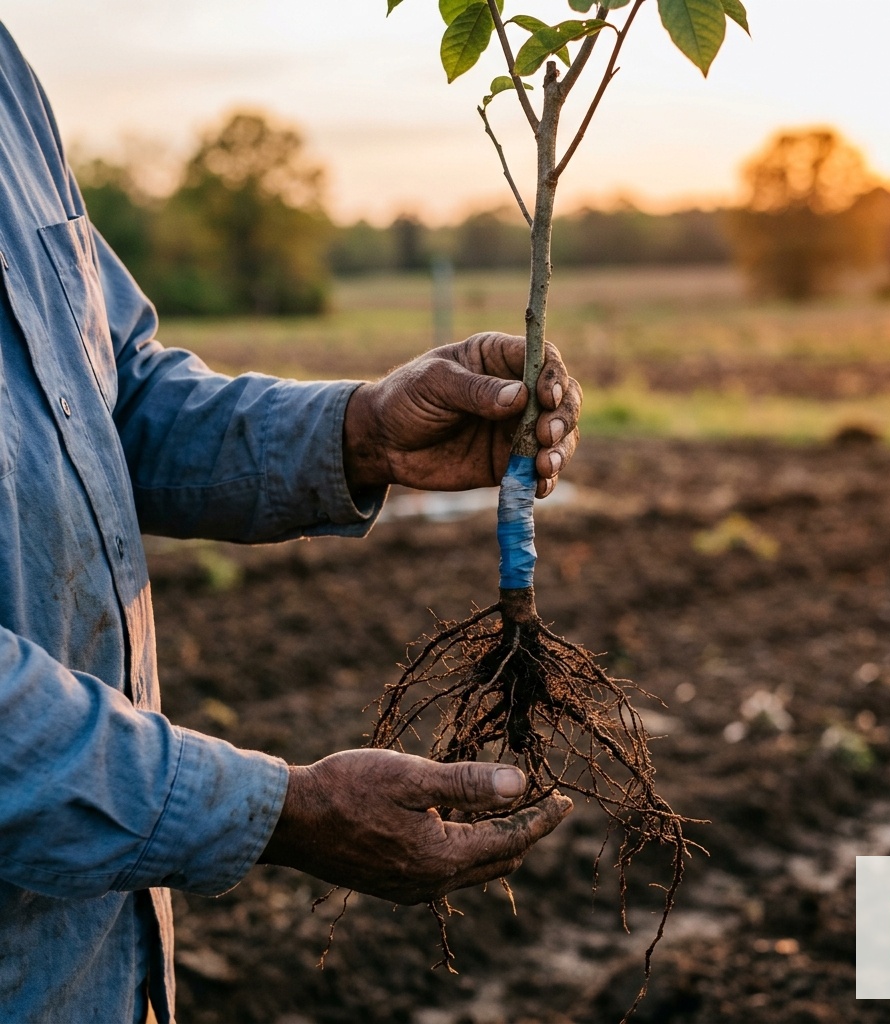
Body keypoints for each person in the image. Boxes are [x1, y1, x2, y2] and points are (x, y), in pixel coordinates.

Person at [0, 21, 580, 1024]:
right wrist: (281, 811)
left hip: (95, 964)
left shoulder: (6, 80)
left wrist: (360, 432)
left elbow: (110, 393)